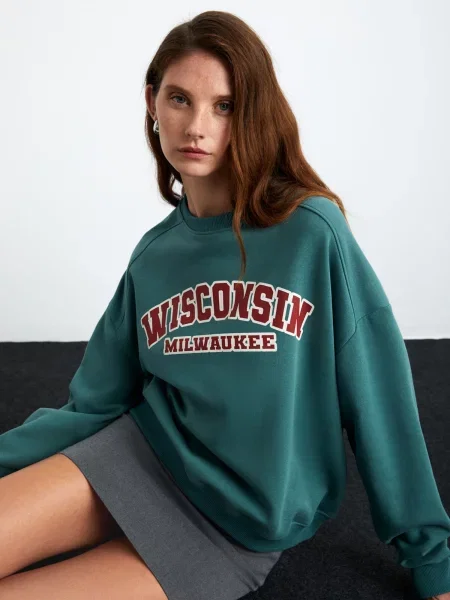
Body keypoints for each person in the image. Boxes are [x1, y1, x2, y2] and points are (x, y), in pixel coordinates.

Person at [1, 10, 449, 600]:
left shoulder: (312, 234)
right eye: (180, 99)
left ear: (252, 113)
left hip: (232, 532)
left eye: (224, 106)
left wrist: (433, 560)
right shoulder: (154, 256)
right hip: (133, 456)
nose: (197, 126)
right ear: (151, 102)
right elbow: (93, 405)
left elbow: (379, 396)